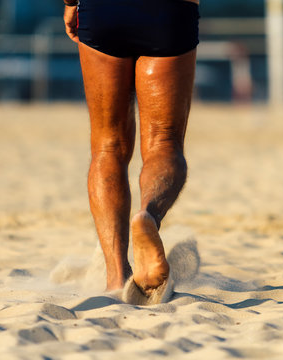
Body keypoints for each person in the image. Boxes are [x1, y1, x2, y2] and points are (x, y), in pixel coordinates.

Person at [63, 0, 199, 304]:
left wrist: (71, 4)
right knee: (164, 141)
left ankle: (116, 277)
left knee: (107, 145)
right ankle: (148, 216)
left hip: (103, 11)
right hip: (168, 15)